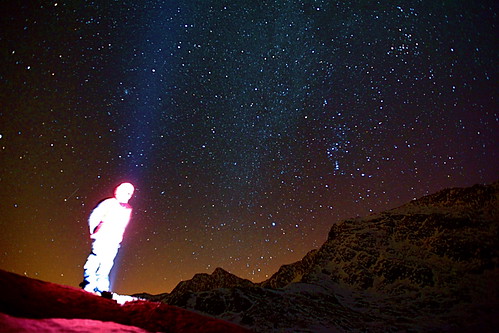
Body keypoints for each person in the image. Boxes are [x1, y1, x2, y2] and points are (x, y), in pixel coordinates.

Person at [80, 182, 135, 296]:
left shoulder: (127, 209)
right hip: (102, 237)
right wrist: (93, 230)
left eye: (129, 193)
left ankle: (102, 288)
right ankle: (89, 285)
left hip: (113, 241)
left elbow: (122, 226)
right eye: (125, 192)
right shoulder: (109, 203)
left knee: (106, 264)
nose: (127, 195)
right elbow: (95, 215)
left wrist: (119, 238)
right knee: (95, 260)